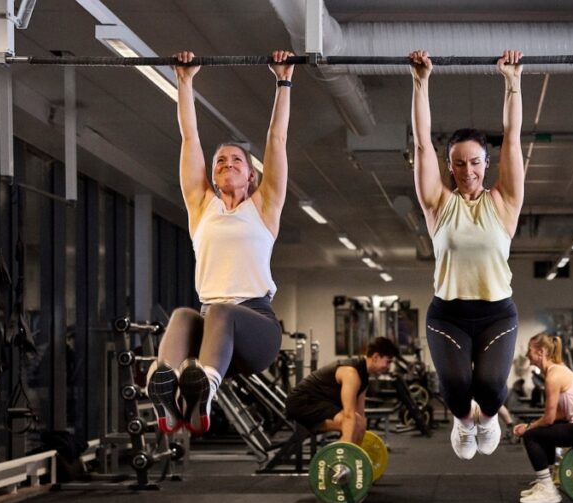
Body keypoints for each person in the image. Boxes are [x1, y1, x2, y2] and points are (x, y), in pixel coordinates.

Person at [144, 49, 295, 435]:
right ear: (212, 176)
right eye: (220, 162)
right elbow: (189, 137)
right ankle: (170, 396)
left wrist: (283, 80)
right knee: (183, 316)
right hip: (212, 329)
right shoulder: (201, 206)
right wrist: (185, 81)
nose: (227, 163)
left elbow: (277, 139)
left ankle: (204, 389)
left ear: (251, 176)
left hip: (256, 329)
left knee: (222, 312)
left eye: (236, 161)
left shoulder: (263, 208)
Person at [409, 49, 526, 460]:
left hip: (497, 313)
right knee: (456, 387)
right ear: (450, 167)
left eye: (475, 162)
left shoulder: (506, 201)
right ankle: (463, 422)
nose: (468, 171)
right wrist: (420, 81)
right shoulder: (438, 204)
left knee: (491, 387)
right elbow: (422, 143)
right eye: (459, 164)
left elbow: (511, 136)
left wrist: (512, 81)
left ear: (486, 163)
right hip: (448, 313)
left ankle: (489, 418)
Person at [513, 333, 573, 503]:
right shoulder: (559, 370)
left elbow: (548, 419)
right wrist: (531, 425)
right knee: (541, 431)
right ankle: (546, 482)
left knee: (532, 436)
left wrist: (528, 428)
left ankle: (548, 491)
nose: (527, 355)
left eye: (530, 351)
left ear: (541, 352)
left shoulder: (553, 376)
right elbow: (561, 414)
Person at [285, 337, 399, 443]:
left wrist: (359, 448)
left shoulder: (364, 378)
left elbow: (360, 415)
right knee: (350, 422)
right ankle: (344, 460)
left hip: (320, 404)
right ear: (375, 357)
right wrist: (348, 449)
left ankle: (352, 461)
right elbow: (349, 415)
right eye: (388, 361)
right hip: (302, 403)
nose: (389, 367)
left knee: (359, 423)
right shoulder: (351, 373)